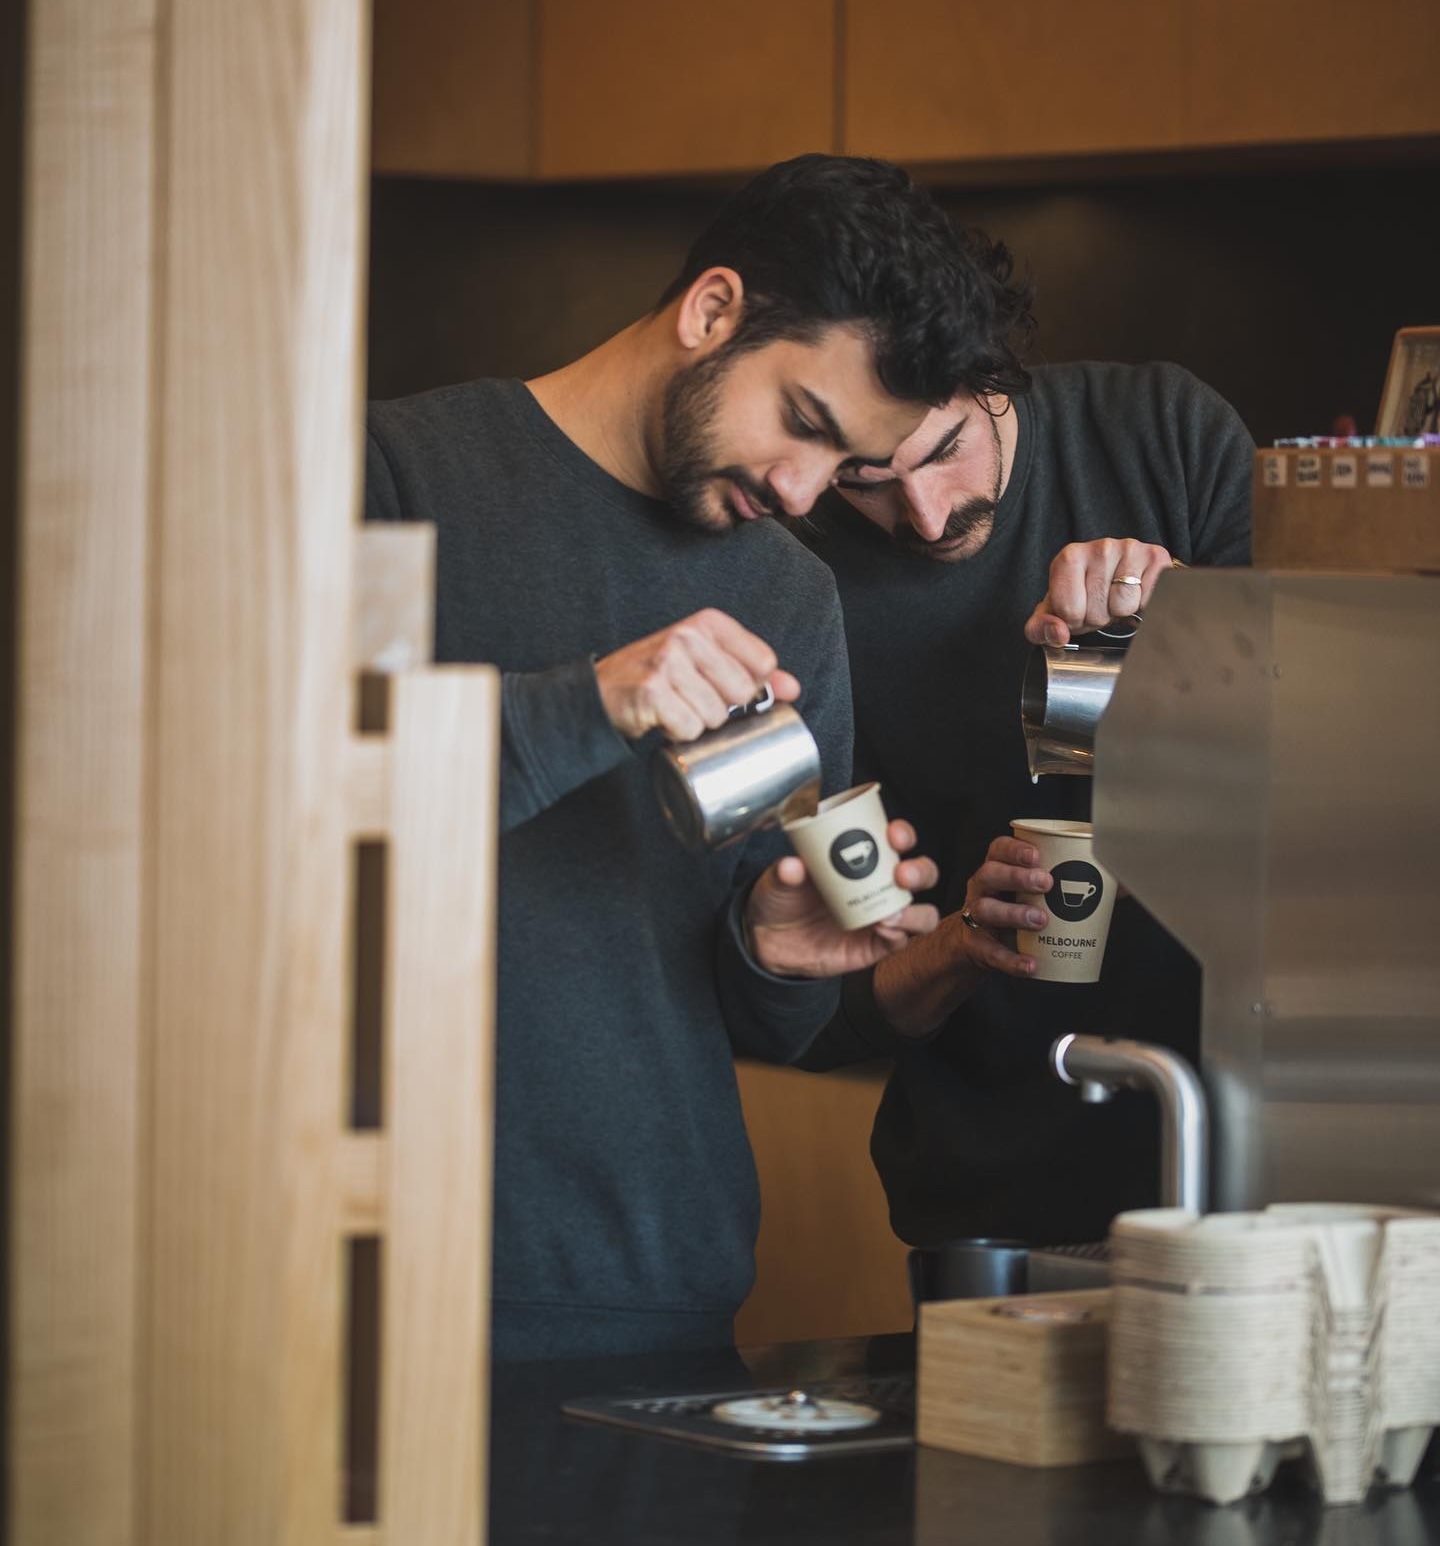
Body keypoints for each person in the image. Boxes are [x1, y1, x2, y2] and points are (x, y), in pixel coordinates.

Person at [364, 154, 992, 1361]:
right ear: (712, 311)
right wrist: (592, 701)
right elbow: (287, 811)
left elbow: (765, 1024)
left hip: (669, 1292)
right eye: (803, 422)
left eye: (846, 465)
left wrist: (778, 954)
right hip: (396, 1285)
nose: (801, 489)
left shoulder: (790, 590)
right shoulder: (398, 477)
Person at [794, 229, 1253, 1251]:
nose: (921, 514)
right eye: (864, 478)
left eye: (944, 449)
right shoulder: (790, 581)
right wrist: (959, 942)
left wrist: (1199, 629)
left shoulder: (1164, 435)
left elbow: (1334, 776)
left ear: (996, 370)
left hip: (1246, 1160)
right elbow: (818, 1001)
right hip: (986, 1192)